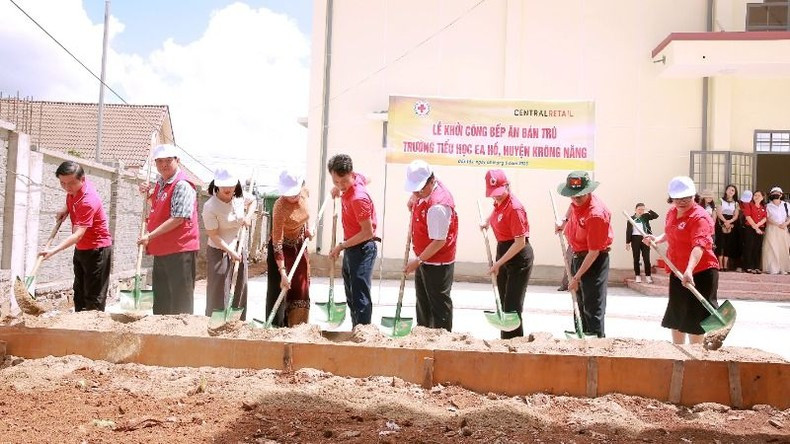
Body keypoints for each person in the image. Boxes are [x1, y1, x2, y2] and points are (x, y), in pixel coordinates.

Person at [644, 177, 720, 345]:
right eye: (677, 198)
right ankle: (677, 352)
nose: (681, 202)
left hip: (700, 272)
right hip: (677, 270)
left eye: (686, 198)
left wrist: (689, 269)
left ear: (694, 196)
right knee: (677, 314)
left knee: (695, 318)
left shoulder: (700, 217)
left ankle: (695, 354)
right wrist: (656, 239)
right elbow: (671, 232)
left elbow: (699, 246)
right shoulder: (672, 212)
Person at [39, 161, 113, 311]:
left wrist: (52, 251)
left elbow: (78, 235)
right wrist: (65, 208)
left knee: (94, 298)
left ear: (82, 179)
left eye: (71, 183)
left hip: (97, 250)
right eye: (62, 183)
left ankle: (93, 325)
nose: (67, 187)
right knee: (79, 293)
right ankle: (78, 322)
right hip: (82, 249)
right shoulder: (76, 189)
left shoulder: (87, 201)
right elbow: (71, 196)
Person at [137, 144, 200, 315]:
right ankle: (161, 329)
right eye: (159, 161)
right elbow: (160, 207)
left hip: (180, 249)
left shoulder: (182, 185)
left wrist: (150, 235)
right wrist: (147, 195)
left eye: (168, 160)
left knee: (180, 302)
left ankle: (181, 330)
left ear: (177, 161)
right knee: (162, 300)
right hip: (162, 248)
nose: (164, 165)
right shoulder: (161, 183)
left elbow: (178, 218)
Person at [555, 171, 612, 338]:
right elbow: (572, 207)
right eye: (573, 195)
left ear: (588, 191)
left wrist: (576, 278)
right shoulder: (576, 201)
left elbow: (594, 252)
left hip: (594, 261)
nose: (576, 198)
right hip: (578, 255)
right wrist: (564, 221)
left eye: (580, 195)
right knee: (578, 302)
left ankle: (595, 341)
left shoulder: (596, 214)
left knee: (592, 306)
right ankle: (580, 337)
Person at [402, 160, 458, 332]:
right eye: (414, 189)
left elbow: (439, 241)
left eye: (419, 189)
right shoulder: (428, 184)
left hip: (437, 262)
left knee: (438, 305)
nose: (416, 193)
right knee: (423, 302)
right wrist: (414, 197)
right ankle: (423, 334)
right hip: (424, 257)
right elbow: (419, 191)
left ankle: (441, 338)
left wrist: (417, 261)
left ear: (431, 182)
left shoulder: (438, 207)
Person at [480, 169, 533, 339]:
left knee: (512, 306)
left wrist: (498, 263)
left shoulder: (515, 208)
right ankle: (505, 341)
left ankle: (514, 342)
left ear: (508, 186)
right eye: (493, 194)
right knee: (503, 302)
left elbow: (520, 242)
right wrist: (488, 222)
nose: (496, 197)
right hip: (503, 250)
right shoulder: (499, 202)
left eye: (499, 193)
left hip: (518, 256)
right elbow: (498, 212)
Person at [327, 154, 378, 326]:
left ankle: (363, 333)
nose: (340, 185)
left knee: (360, 297)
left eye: (344, 181)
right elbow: (367, 177)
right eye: (336, 181)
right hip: (352, 246)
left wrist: (340, 246)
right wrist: (339, 188)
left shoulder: (358, 198)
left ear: (351, 173)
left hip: (362, 248)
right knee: (351, 294)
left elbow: (367, 233)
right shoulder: (357, 179)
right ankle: (355, 330)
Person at [202, 169, 256, 320]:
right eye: (224, 186)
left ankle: (237, 322)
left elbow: (253, 201)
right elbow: (213, 235)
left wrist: (248, 217)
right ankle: (215, 321)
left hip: (238, 246)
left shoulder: (239, 198)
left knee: (240, 284)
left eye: (231, 186)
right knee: (219, 287)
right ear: (217, 185)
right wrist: (230, 251)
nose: (228, 189)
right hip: (219, 248)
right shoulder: (210, 206)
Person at [266, 170, 313, 326]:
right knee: (280, 288)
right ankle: (277, 327)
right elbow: (277, 242)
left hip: (299, 245)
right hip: (281, 249)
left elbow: (305, 215)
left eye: (295, 193)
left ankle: (298, 326)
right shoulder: (279, 207)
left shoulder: (304, 193)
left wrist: (307, 229)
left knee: (301, 286)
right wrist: (283, 272)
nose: (293, 197)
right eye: (289, 194)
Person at [625, 203, 659, 283]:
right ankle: (637, 276)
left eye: (642, 209)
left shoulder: (645, 217)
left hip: (645, 238)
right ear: (635, 210)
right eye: (639, 209)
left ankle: (648, 276)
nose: (641, 211)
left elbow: (656, 216)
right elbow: (628, 231)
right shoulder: (631, 219)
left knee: (646, 258)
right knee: (636, 258)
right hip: (635, 239)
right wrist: (627, 242)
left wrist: (648, 209)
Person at [762, 187, 790, 275]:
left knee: (783, 248)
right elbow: (767, 218)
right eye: (773, 193)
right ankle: (773, 268)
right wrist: (777, 224)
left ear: (781, 195)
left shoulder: (786, 205)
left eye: (777, 193)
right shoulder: (767, 206)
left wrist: (786, 223)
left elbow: (789, 216)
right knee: (772, 248)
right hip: (772, 228)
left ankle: (783, 268)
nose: (775, 194)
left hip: (783, 229)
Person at [715, 184, 740, 271]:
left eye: (733, 190)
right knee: (720, 243)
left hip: (731, 223)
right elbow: (719, 213)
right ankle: (720, 264)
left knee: (728, 244)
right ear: (726, 191)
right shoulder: (720, 200)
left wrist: (730, 221)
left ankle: (725, 265)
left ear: (735, 193)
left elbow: (736, 215)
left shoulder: (736, 203)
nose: (731, 191)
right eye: (729, 189)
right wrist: (725, 221)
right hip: (721, 223)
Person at [741, 190, 767, 274]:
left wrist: (758, 225)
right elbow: (748, 217)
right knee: (749, 246)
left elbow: (765, 218)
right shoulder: (749, 205)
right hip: (750, 228)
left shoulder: (763, 207)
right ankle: (748, 266)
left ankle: (756, 267)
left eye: (759, 195)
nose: (757, 197)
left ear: (762, 197)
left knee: (757, 247)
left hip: (760, 228)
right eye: (755, 195)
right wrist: (756, 228)